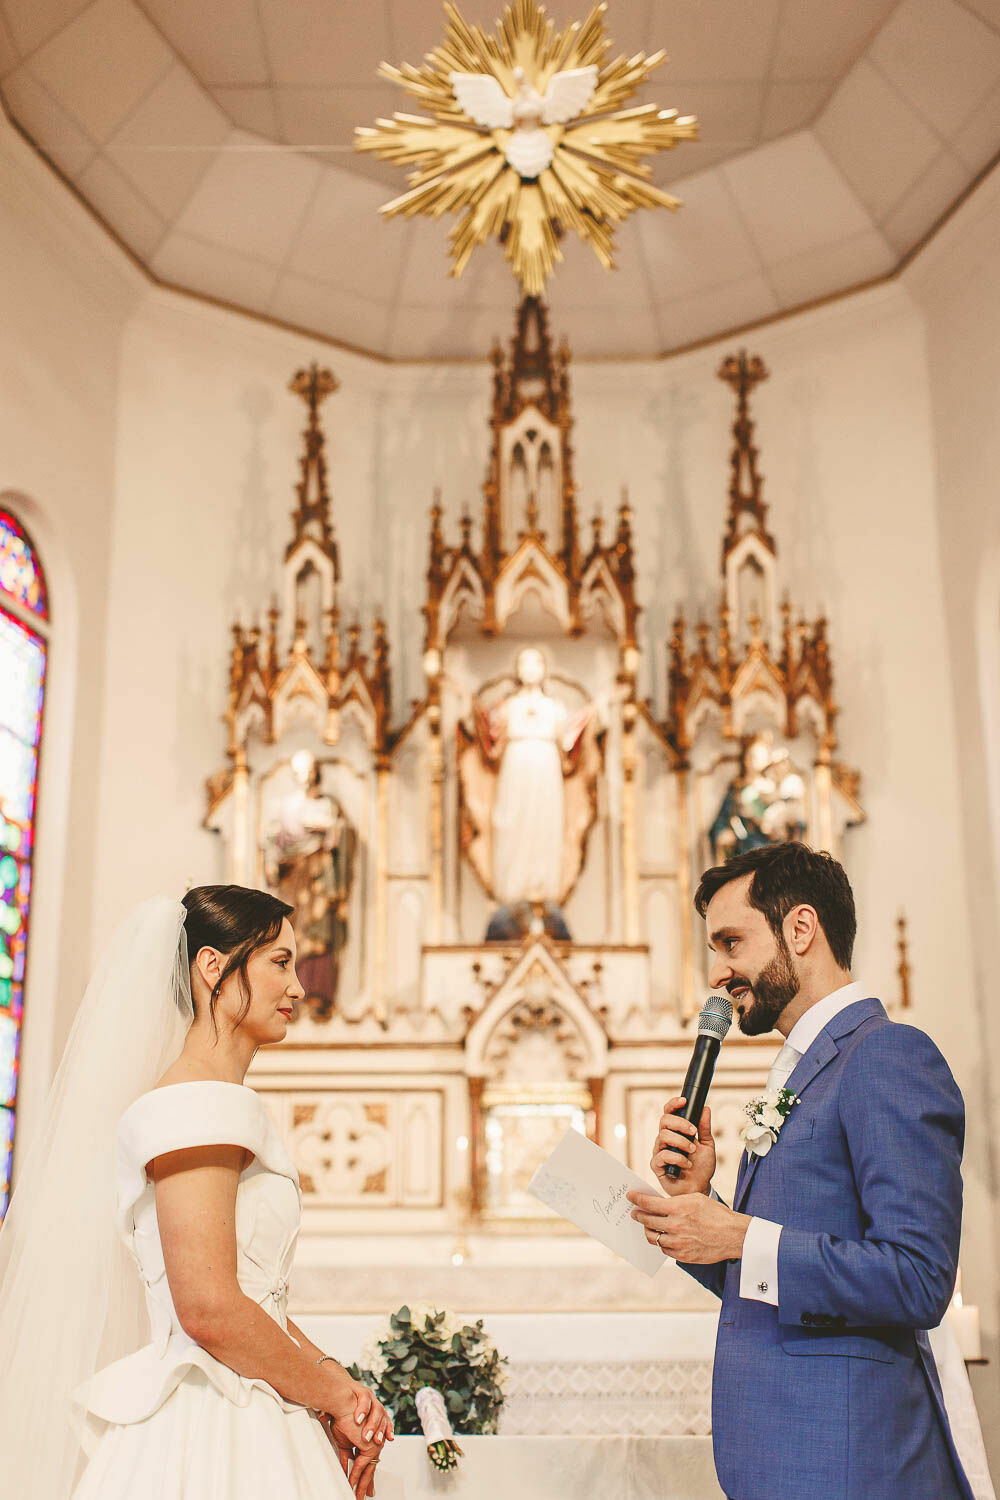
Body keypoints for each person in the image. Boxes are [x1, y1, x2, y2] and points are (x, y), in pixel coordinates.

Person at [0, 884, 393, 1499]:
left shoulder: (213, 1100)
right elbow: (208, 1307)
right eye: (280, 963)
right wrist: (333, 1395)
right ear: (213, 966)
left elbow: (251, 1298)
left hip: (249, 1398)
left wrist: (332, 1381)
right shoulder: (196, 1104)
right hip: (216, 1424)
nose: (298, 987)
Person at [628, 841, 976, 1500]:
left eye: (731, 943)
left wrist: (735, 1235)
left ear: (801, 928)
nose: (717, 974)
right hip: (792, 1460)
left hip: (852, 1463)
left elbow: (918, 1276)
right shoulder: (809, 1069)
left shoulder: (887, 1056)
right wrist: (700, 1207)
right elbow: (772, 1279)